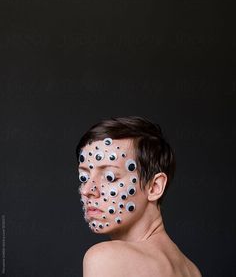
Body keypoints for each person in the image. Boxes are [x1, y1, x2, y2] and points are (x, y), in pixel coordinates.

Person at [76, 115, 202, 277]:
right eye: (84, 177)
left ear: (154, 187)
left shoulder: (106, 258)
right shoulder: (191, 270)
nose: (87, 190)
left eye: (110, 177)